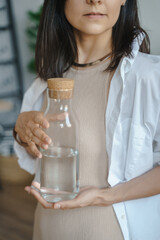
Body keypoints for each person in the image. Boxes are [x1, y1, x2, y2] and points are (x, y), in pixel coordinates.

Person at [14, 0, 160, 239]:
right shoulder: (47, 80)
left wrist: (106, 196)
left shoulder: (150, 77)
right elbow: (37, 158)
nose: (95, 0)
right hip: (47, 229)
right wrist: (22, 132)